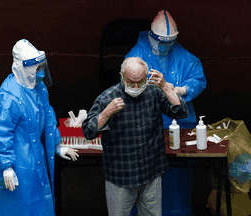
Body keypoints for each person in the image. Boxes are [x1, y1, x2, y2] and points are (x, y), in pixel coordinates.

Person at [82, 57, 188, 216]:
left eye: (141, 81)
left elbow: (180, 112)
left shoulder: (154, 92)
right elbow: (88, 132)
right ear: (122, 76)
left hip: (150, 172)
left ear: (147, 77)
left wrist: (165, 86)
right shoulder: (107, 97)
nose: (136, 86)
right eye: (131, 82)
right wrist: (106, 114)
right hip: (121, 176)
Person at [125, 10, 207, 216]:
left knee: (178, 180)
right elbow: (128, 89)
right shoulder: (136, 56)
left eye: (169, 42)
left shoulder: (184, 57)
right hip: (146, 129)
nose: (163, 47)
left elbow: (198, 78)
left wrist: (181, 90)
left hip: (181, 127)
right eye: (160, 41)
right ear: (151, 36)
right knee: (145, 181)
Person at [0, 39, 79, 216]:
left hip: (35, 157)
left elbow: (48, 116)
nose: (41, 73)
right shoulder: (7, 98)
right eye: (37, 69)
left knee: (37, 202)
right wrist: (6, 167)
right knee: (16, 205)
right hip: (18, 163)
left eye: (42, 68)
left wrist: (57, 144)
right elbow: (2, 135)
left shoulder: (38, 87)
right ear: (23, 68)